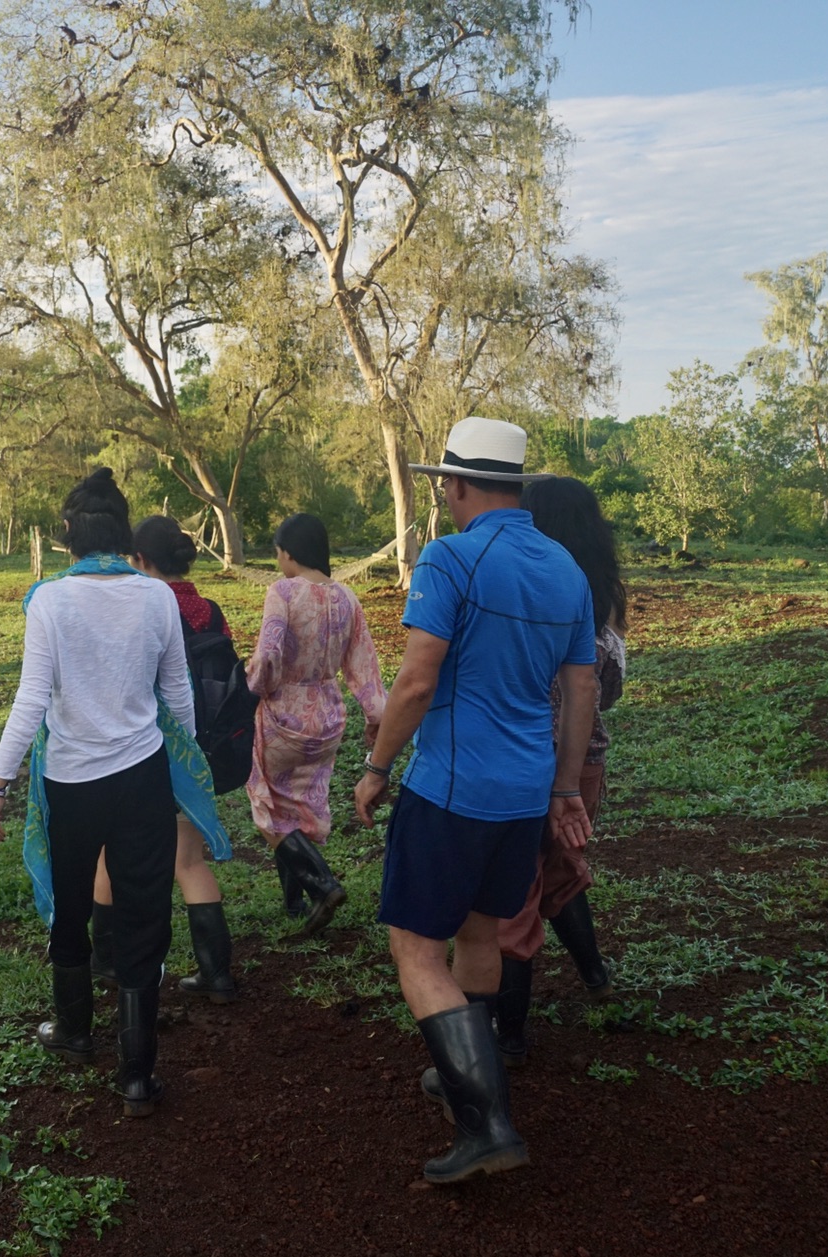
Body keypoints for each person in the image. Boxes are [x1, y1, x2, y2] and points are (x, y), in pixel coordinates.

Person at [352, 417, 597, 1185]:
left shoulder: (450, 558)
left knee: (416, 947)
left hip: (452, 787)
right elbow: (580, 687)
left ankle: (487, 1123)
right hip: (524, 790)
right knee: (480, 932)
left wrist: (376, 767)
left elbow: (418, 680)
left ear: (454, 486)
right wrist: (562, 787)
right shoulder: (564, 568)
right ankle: (469, 1070)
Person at [0, 470, 229, 1118]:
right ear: (120, 535)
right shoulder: (154, 597)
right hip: (143, 777)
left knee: (72, 902)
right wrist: (184, 767)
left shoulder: (50, 602)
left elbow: (32, 697)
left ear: (68, 537)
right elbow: (176, 694)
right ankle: (138, 1076)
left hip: (72, 783)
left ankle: (75, 1031)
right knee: (146, 913)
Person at [490, 478, 627, 1065]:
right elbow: (611, 686)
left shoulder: (523, 583)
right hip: (586, 760)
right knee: (561, 863)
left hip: (522, 758)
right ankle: (595, 975)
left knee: (514, 893)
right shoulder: (606, 592)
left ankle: (510, 1038)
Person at [92, 515, 240, 1003]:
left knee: (109, 858)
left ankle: (107, 964)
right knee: (188, 861)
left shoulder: (144, 609)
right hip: (200, 752)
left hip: (143, 752)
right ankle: (217, 976)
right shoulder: (210, 610)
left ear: (140, 560)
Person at [245, 513, 386, 935]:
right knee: (300, 805)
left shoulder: (282, 592)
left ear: (288, 553)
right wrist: (375, 720)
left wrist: (253, 684)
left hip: (285, 711)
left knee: (266, 803)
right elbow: (365, 669)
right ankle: (295, 902)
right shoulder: (348, 597)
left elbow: (268, 655)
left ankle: (323, 885)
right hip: (328, 715)